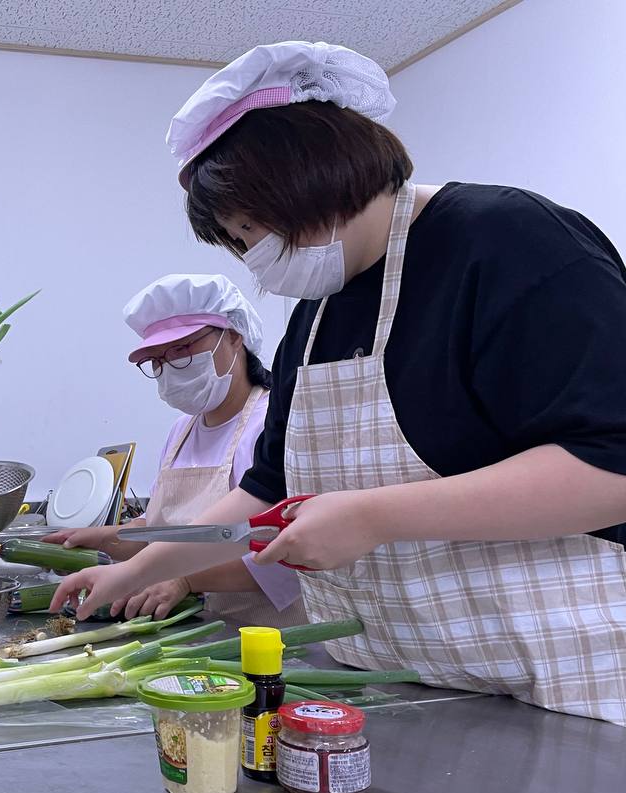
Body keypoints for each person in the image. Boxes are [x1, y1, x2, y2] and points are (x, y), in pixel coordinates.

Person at [54, 41, 626, 724]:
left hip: (560, 694)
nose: (255, 260)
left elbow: (610, 467)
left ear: (314, 178)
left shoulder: (508, 242)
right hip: (404, 687)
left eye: (250, 231)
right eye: (237, 243)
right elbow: (264, 493)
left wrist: (374, 516)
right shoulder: (315, 317)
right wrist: (135, 570)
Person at [45, 274, 301, 626]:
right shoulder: (181, 432)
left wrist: (186, 579)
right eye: (156, 360)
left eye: (182, 349)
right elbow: (166, 530)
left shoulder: (271, 425)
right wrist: (108, 538)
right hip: (195, 637)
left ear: (234, 337)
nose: (168, 368)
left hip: (266, 636)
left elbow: (285, 555)